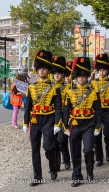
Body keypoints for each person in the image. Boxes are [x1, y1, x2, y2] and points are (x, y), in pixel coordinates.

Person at [23, 50, 62, 186]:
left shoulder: (54, 88)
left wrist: (57, 123)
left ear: (48, 70)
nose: (41, 71)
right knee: (35, 149)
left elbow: (58, 108)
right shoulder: (31, 88)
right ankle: (37, 176)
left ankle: (52, 167)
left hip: (49, 120)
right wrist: (25, 123)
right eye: (40, 69)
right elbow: (27, 106)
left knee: (49, 147)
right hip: (35, 120)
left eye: (44, 69)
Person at [63, 57, 102, 187]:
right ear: (76, 77)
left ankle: (90, 171)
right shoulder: (69, 92)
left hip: (88, 124)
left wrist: (98, 126)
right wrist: (65, 125)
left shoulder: (93, 92)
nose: (81, 79)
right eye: (79, 76)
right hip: (74, 124)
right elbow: (66, 110)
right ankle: (77, 176)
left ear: (87, 77)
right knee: (75, 151)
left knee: (89, 150)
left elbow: (98, 110)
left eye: (84, 76)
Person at [90, 53, 109, 167]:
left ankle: (108, 147)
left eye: (104, 70)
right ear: (97, 71)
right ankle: (99, 158)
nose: (102, 72)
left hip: (108, 111)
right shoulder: (92, 83)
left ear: (107, 70)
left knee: (107, 134)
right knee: (97, 135)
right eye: (100, 70)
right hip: (97, 112)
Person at [51, 56, 71, 171]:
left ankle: (67, 158)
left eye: (59, 73)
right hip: (52, 116)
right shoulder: (51, 87)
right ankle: (56, 164)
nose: (57, 75)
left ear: (63, 75)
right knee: (53, 142)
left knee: (62, 140)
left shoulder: (68, 88)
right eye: (55, 73)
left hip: (64, 116)